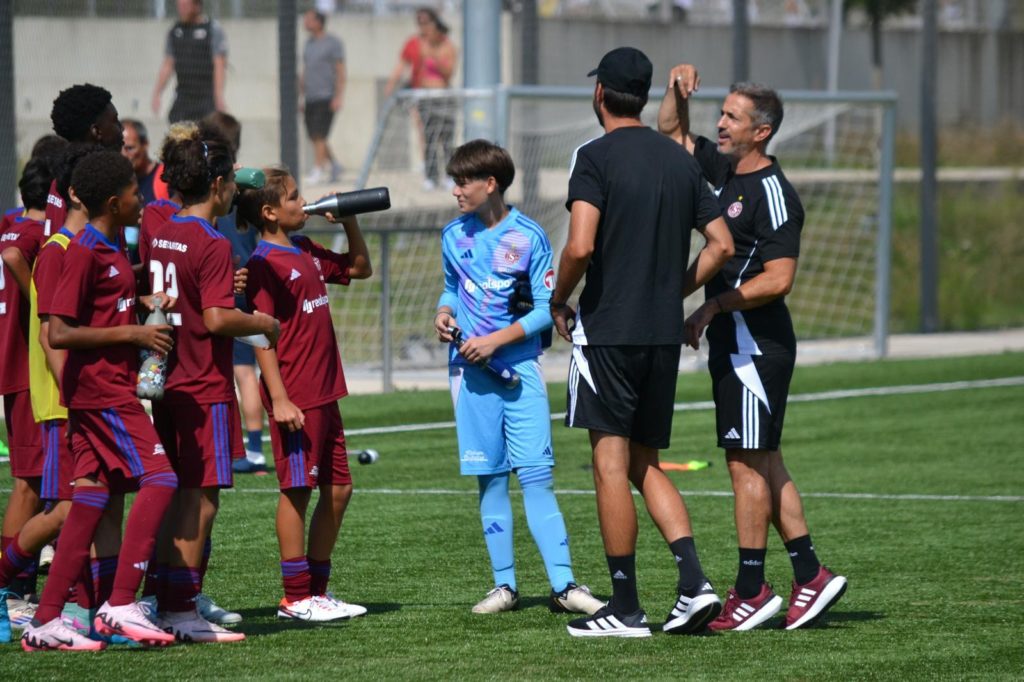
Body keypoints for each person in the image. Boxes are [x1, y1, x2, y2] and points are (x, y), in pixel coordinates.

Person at [549, 47, 734, 638]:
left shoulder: (594, 156)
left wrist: (559, 298)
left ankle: (625, 608)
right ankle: (694, 583)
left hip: (609, 332)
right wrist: (671, 291)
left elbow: (580, 245)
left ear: (600, 93)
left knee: (609, 464)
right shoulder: (680, 158)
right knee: (642, 462)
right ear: (644, 95)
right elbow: (722, 245)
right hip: (660, 334)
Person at [658, 63, 848, 631]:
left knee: (744, 464)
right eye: (721, 113)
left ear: (760, 131)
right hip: (737, 343)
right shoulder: (721, 169)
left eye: (732, 118)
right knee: (764, 461)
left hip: (755, 346)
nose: (720, 123)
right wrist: (675, 91)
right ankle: (810, 574)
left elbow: (779, 278)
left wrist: (714, 306)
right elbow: (672, 133)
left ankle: (750, 589)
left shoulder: (774, 192)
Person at [433, 140, 605, 617]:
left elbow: (546, 311)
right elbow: (451, 287)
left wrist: (494, 341)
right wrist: (444, 313)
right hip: (470, 375)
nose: (456, 191)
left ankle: (565, 586)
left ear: (490, 184)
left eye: (463, 182)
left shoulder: (529, 236)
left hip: (520, 371)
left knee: (535, 477)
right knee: (490, 481)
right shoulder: (453, 235)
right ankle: (504, 587)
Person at [20, 151, 179, 651]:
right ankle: (121, 602)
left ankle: (46, 620)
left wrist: (142, 306)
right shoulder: (83, 250)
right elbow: (60, 333)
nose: (142, 198)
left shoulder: (111, 245)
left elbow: (104, 307)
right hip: (102, 392)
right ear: (113, 202)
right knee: (162, 478)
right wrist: (133, 332)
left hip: (105, 388)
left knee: (89, 498)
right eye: (134, 191)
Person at [143, 123, 280, 644]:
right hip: (204, 386)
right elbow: (218, 318)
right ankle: (182, 609)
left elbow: (188, 288)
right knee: (201, 501)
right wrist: (264, 323)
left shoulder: (163, 226)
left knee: (176, 495)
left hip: (170, 381)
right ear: (219, 184)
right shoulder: (213, 240)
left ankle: (161, 598)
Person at [239, 167, 371, 622]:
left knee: (340, 489)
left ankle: (317, 591)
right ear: (269, 212)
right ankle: (295, 597)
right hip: (296, 395)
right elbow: (261, 336)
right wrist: (278, 399)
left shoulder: (305, 250)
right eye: (294, 198)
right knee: (297, 490)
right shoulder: (262, 264)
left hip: (325, 392)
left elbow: (359, 268)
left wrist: (349, 220)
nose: (303, 203)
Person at [0, 159, 52, 635]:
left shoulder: (10, 223)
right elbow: (15, 257)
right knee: (29, 482)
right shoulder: (33, 235)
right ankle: (12, 589)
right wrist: (44, 300)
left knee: (36, 480)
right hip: (24, 368)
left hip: (16, 367)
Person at [200, 112, 267, 476]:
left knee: (240, 370)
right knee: (246, 370)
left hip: (226, 282)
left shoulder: (214, 187)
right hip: (243, 279)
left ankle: (251, 450)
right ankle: (251, 448)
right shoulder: (245, 185)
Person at [384, 7, 458, 191]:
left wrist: (434, 55)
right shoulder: (417, 44)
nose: (424, 29)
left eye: (428, 24)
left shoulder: (446, 46)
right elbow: (403, 65)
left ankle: (450, 175)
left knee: (446, 139)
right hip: (424, 97)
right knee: (429, 137)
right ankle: (431, 176)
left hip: (443, 97)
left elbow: (448, 73)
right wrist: (391, 85)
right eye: (421, 23)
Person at [46, 84, 125, 239]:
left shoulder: (62, 178)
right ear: (96, 131)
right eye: (115, 121)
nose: (121, 128)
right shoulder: (92, 185)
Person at [151, 0, 229, 123]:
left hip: (206, 98)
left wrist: (219, 97)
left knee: (207, 130)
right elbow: (168, 64)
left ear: (197, 6)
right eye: (179, 6)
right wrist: (157, 93)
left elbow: (219, 65)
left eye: (185, 6)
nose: (181, 10)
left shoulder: (212, 29)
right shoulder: (175, 31)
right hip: (184, 96)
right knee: (176, 127)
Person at [300, 9, 346, 185]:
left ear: (319, 22)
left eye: (309, 19)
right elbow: (305, 70)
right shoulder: (308, 44)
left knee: (320, 133)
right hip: (310, 96)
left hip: (326, 95)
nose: (305, 22)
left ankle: (318, 169)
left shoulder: (333, 43)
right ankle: (334, 165)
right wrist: (301, 96)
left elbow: (340, 70)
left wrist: (338, 96)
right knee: (314, 136)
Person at [121, 119, 163, 205]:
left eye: (129, 148)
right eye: (118, 148)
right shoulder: (116, 183)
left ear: (145, 144)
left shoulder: (165, 179)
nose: (123, 154)